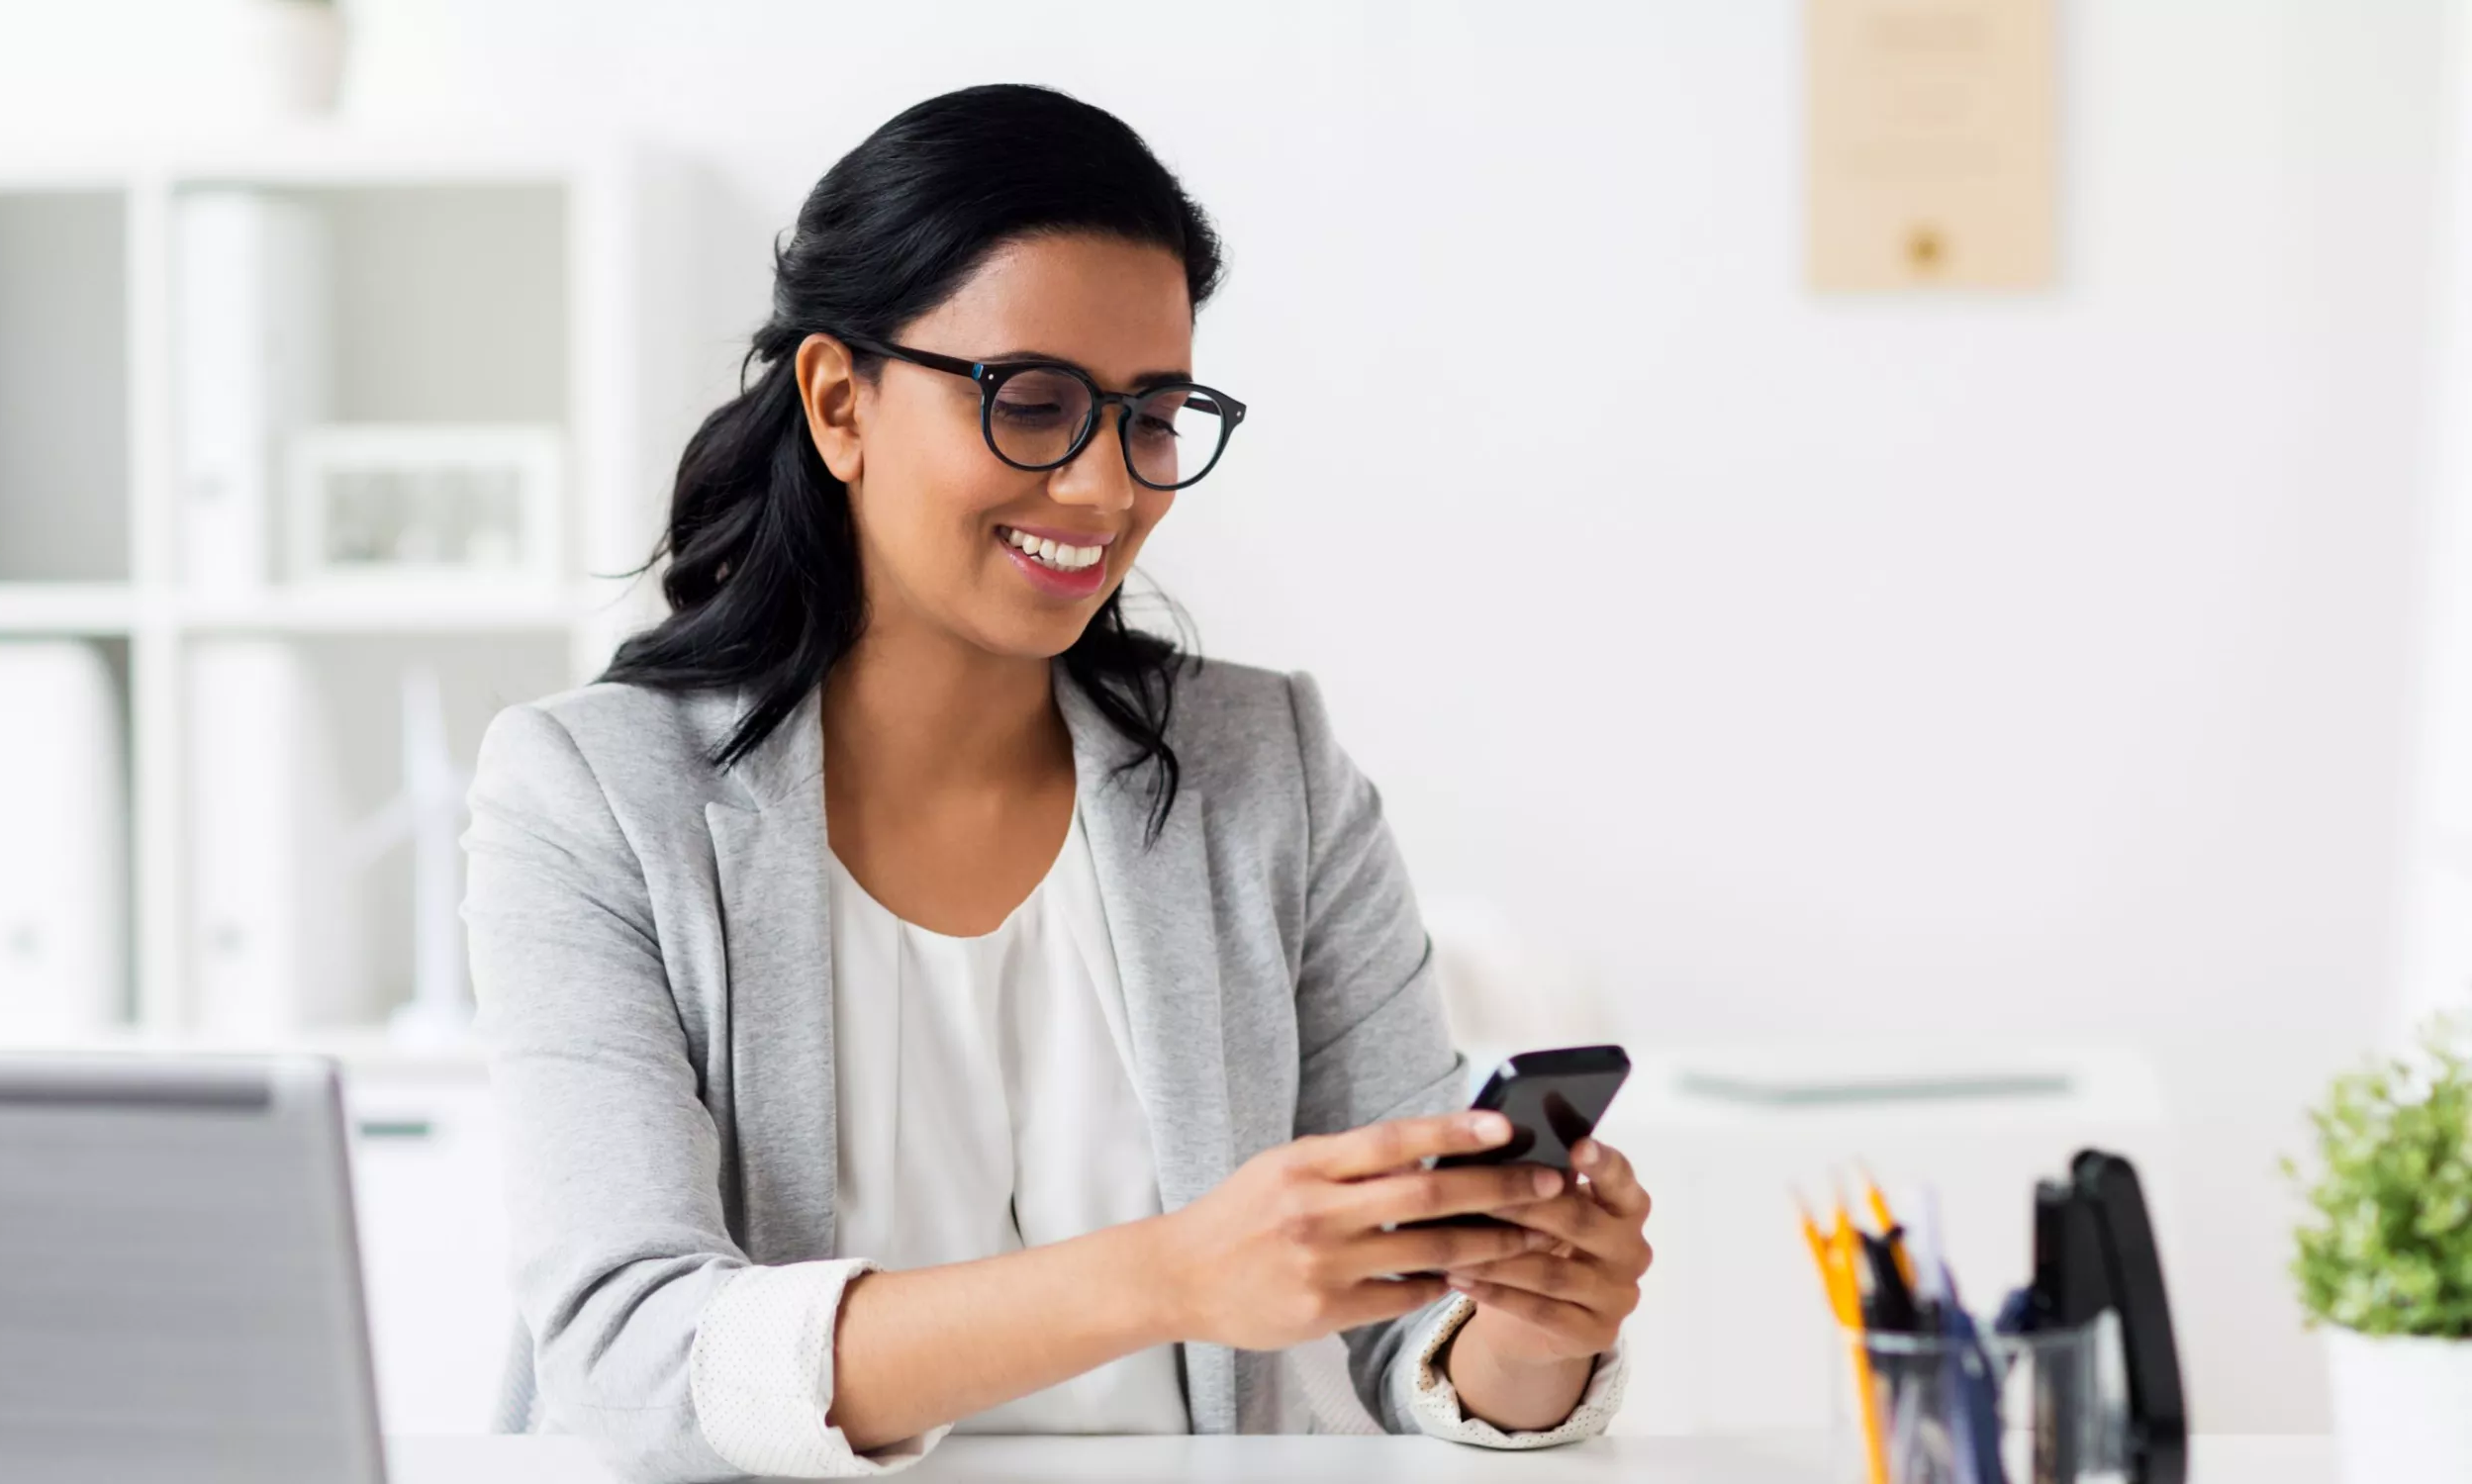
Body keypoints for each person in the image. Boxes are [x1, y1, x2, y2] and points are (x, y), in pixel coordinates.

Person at [462, 83, 1651, 1482]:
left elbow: (1414, 1338)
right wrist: (1171, 1276)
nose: (1102, 489)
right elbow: (634, 1359)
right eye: (1032, 404)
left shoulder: (1271, 776)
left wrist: (1533, 1324)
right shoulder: (591, 798)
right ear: (840, 402)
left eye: (1153, 417)